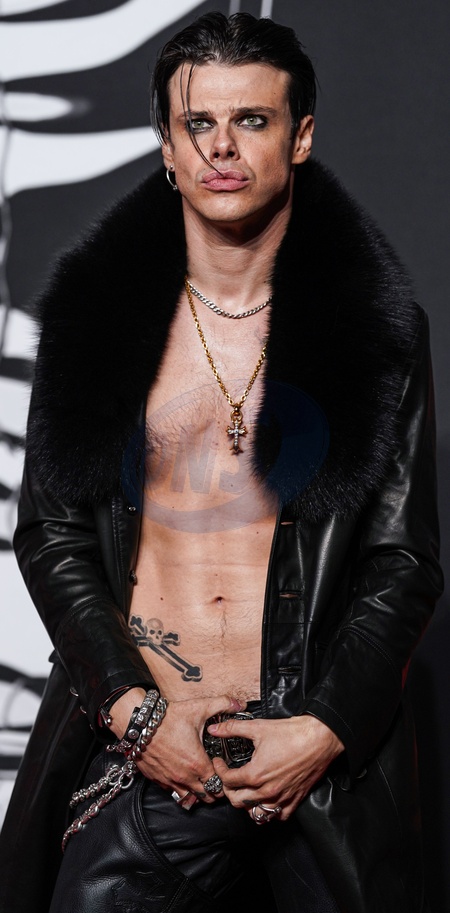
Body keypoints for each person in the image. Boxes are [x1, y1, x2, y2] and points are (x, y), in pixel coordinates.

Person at [0, 11, 443, 913]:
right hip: (151, 757)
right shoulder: (94, 321)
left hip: (312, 767)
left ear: (300, 136)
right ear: (167, 145)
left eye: (252, 119)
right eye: (198, 122)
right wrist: (133, 713)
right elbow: (51, 535)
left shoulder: (378, 332)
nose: (222, 147)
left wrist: (323, 730)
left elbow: (403, 561)